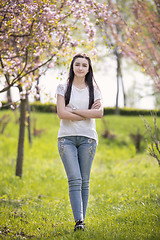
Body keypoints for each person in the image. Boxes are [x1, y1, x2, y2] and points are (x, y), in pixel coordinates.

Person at [56, 53, 103, 231]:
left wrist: (74, 110)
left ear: (89, 68)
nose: (81, 68)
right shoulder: (63, 87)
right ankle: (79, 221)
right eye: (78, 64)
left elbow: (98, 114)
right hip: (66, 138)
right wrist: (86, 113)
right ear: (72, 66)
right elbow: (61, 114)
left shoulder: (94, 89)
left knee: (85, 180)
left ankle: (81, 222)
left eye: (84, 65)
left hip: (88, 139)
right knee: (74, 179)